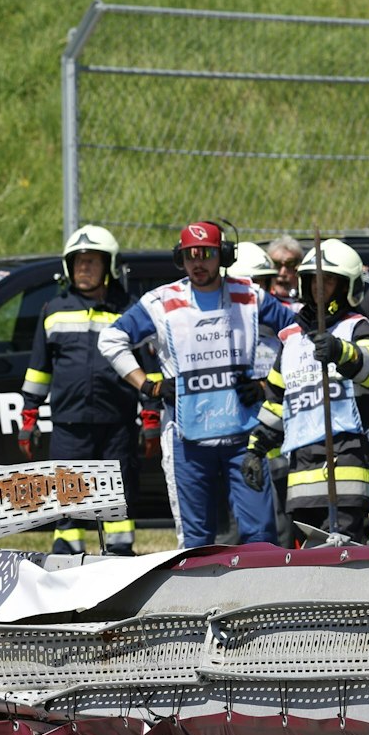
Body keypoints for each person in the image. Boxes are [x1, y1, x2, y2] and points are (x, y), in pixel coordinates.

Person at [99, 221, 296, 549]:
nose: (198, 263)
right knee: (196, 540)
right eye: (190, 255)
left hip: (244, 437)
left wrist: (267, 385)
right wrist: (149, 386)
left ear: (224, 256)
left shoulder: (248, 295)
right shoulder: (161, 301)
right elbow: (111, 339)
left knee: (262, 535)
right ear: (180, 258)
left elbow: (297, 333)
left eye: (206, 254)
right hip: (185, 438)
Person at [244, 241, 369, 545]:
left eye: (328, 279)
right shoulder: (291, 338)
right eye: (313, 279)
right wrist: (255, 449)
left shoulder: (357, 328)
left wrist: (343, 353)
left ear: (346, 285)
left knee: (345, 555)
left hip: (346, 465)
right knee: (310, 556)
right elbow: (276, 401)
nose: (318, 287)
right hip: (300, 473)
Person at [18, 225, 142, 555]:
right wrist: (28, 417)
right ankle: (66, 562)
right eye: (78, 262)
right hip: (69, 426)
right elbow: (38, 370)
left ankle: (119, 559)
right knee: (68, 498)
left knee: (116, 501)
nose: (83, 268)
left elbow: (148, 368)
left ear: (109, 267)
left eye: (92, 262)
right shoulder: (53, 311)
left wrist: (153, 416)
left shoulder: (129, 310)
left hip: (117, 424)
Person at [231, 241, 295, 537]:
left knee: (282, 524)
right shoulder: (219, 327)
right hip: (234, 439)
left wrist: (263, 387)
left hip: (277, 443)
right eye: (248, 284)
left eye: (261, 283)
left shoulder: (285, 324)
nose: (254, 293)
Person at [267, 235, 305, 301]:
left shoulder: (309, 302)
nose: (282, 273)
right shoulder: (261, 301)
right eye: (276, 264)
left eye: (290, 265)